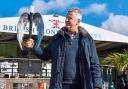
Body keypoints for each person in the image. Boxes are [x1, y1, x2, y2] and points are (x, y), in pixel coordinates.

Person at [25, 7, 102, 89]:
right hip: (59, 85)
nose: (66, 20)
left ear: (78, 22)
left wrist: (97, 85)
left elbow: (95, 64)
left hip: (82, 85)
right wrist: (34, 47)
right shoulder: (57, 38)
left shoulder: (87, 40)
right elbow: (45, 55)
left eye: (70, 18)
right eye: (66, 18)